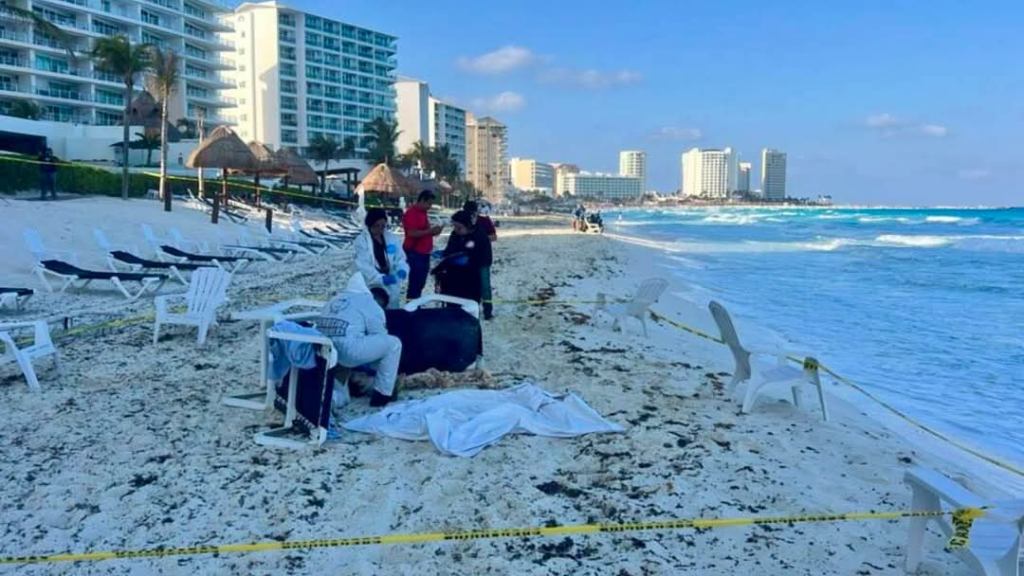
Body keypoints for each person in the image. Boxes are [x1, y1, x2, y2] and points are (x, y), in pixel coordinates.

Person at [318, 272, 402, 407]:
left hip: (325, 350)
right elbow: (380, 335)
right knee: (394, 344)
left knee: (343, 397)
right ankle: (383, 395)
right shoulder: (368, 302)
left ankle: (326, 400)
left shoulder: (334, 300)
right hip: (348, 350)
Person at [433, 210, 492, 307]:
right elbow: (449, 250)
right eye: (454, 226)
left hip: (472, 276)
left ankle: (487, 309)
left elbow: (479, 255)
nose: (456, 230)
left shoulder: (479, 236)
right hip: (454, 276)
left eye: (459, 227)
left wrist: (465, 258)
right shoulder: (455, 235)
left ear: (468, 226)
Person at [354, 208, 409, 308]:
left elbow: (400, 258)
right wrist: (379, 278)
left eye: (383, 226)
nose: (380, 229)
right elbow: (363, 265)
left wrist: (402, 269)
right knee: (374, 309)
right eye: (377, 226)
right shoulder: (361, 241)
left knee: (392, 307)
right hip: (372, 282)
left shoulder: (391, 238)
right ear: (370, 224)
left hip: (391, 281)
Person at [402, 189, 444, 300]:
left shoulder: (423, 213)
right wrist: (429, 231)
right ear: (422, 200)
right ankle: (412, 305)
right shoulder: (411, 213)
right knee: (415, 283)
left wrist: (434, 231)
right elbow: (411, 233)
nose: (430, 207)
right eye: (429, 204)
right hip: (415, 252)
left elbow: (424, 231)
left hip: (424, 253)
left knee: (420, 283)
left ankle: (415, 303)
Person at [463, 201, 497, 319]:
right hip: (468, 259)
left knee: (485, 286)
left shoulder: (485, 221)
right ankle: (472, 309)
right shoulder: (463, 221)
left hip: (483, 258)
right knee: (469, 285)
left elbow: (494, 236)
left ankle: (488, 311)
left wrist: (480, 239)